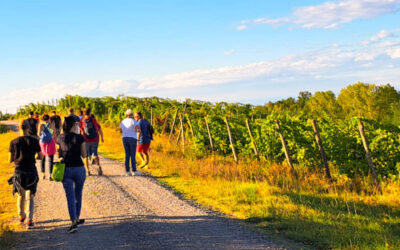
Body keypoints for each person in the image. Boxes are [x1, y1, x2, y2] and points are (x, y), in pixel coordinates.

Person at [9, 122, 43, 229]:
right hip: (31, 169)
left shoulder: (13, 142)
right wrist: (33, 158)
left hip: (19, 170)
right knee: (30, 195)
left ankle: (21, 215)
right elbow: (41, 157)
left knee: (20, 194)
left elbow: (10, 159)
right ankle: (30, 219)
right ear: (28, 128)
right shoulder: (34, 141)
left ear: (19, 128)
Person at [57, 116, 87, 233]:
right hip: (79, 168)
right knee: (78, 194)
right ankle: (77, 217)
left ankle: (73, 221)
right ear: (73, 126)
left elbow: (58, 154)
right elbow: (84, 155)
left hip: (66, 169)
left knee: (70, 196)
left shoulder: (60, 137)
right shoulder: (80, 137)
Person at [80, 108, 104, 176]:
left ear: (83, 113)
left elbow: (82, 131)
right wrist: (101, 137)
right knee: (95, 154)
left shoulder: (81, 120)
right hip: (95, 139)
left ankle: (88, 171)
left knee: (85, 156)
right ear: (90, 112)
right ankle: (99, 167)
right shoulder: (93, 120)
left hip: (86, 140)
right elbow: (97, 128)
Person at [120, 109, 141, 176]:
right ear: (131, 115)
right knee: (132, 154)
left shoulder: (122, 121)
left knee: (127, 154)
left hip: (124, 138)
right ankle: (134, 170)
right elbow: (138, 130)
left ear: (126, 115)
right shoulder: (134, 121)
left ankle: (127, 171)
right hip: (132, 138)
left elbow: (120, 131)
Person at [39, 114, 57, 180]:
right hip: (50, 142)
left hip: (43, 143)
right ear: (49, 119)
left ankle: (43, 174)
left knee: (42, 159)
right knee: (50, 159)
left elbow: (39, 134)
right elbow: (54, 134)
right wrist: (55, 142)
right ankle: (50, 175)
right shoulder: (52, 125)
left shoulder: (41, 125)